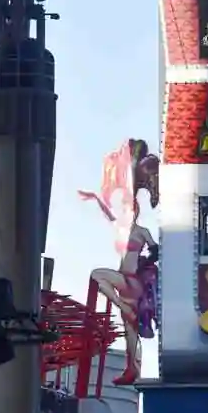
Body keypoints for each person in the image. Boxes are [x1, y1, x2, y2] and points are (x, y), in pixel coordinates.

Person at [79, 138, 161, 385]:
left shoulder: (142, 231)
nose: (129, 211)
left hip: (132, 280)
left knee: (98, 276)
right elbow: (108, 213)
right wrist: (95, 198)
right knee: (129, 332)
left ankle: (133, 363)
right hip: (123, 279)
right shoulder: (120, 228)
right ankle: (132, 369)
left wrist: (149, 259)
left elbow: (156, 249)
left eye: (132, 208)